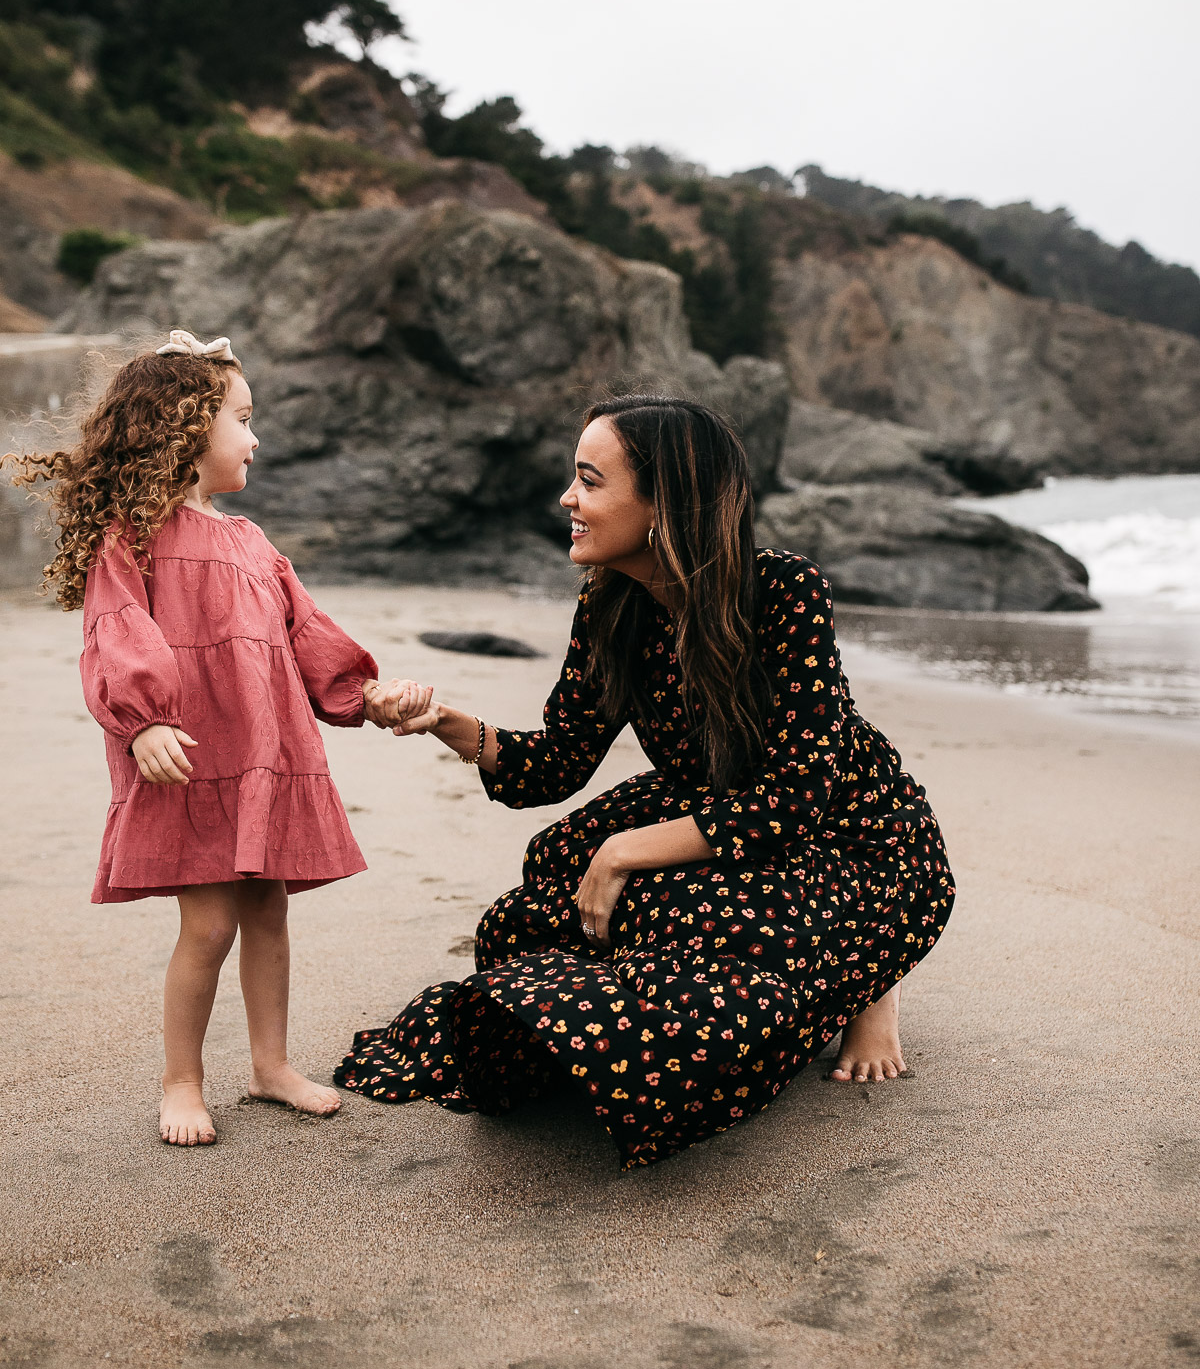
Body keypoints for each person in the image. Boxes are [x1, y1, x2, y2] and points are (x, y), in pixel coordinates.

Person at [343, 394, 956, 1170]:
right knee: (534, 902)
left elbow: (798, 794)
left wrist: (627, 851)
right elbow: (551, 765)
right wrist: (440, 721)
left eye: (590, 481)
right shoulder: (610, 605)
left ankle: (873, 983)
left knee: (701, 918)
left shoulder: (785, 592)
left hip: (846, 829)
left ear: (665, 502)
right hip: (709, 805)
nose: (568, 500)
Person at [3, 330, 415, 1147]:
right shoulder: (132, 537)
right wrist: (144, 717)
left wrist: (368, 694)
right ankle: (182, 1080)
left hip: (268, 758)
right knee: (209, 926)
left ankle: (270, 1065)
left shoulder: (253, 543)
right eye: (243, 418)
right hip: (188, 764)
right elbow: (116, 633)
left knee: (267, 911)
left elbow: (308, 636)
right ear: (185, 429)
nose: (256, 438)